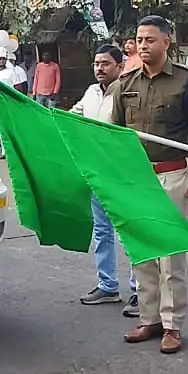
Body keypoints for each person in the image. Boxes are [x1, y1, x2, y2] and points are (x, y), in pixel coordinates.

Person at [111, 15, 188, 354]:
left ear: (167, 42)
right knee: (141, 252)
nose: (143, 45)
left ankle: (172, 325)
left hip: (172, 176)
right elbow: (114, 136)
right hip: (136, 179)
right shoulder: (125, 83)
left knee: (170, 255)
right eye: (139, 39)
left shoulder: (185, 81)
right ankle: (149, 318)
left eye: (150, 39)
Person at [75, 44, 137, 306]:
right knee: (101, 230)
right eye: (97, 64)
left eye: (105, 64)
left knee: (129, 231)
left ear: (119, 66)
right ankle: (108, 285)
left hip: (121, 173)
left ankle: (139, 288)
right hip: (96, 171)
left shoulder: (127, 92)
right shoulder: (90, 93)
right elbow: (71, 118)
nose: (99, 68)